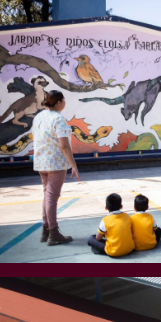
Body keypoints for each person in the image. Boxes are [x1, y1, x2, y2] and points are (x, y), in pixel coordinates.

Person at [30, 89, 80, 245]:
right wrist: (74, 166)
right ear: (58, 102)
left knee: (47, 196)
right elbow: (64, 146)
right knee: (52, 198)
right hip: (56, 164)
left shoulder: (38, 117)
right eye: (63, 100)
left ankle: (46, 231)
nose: (65, 103)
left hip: (41, 163)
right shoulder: (59, 119)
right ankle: (53, 232)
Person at [89, 193, 135, 257]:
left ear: (106, 207)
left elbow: (98, 238)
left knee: (91, 238)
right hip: (130, 248)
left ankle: (103, 249)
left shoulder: (105, 220)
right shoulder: (127, 216)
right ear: (121, 206)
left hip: (114, 251)